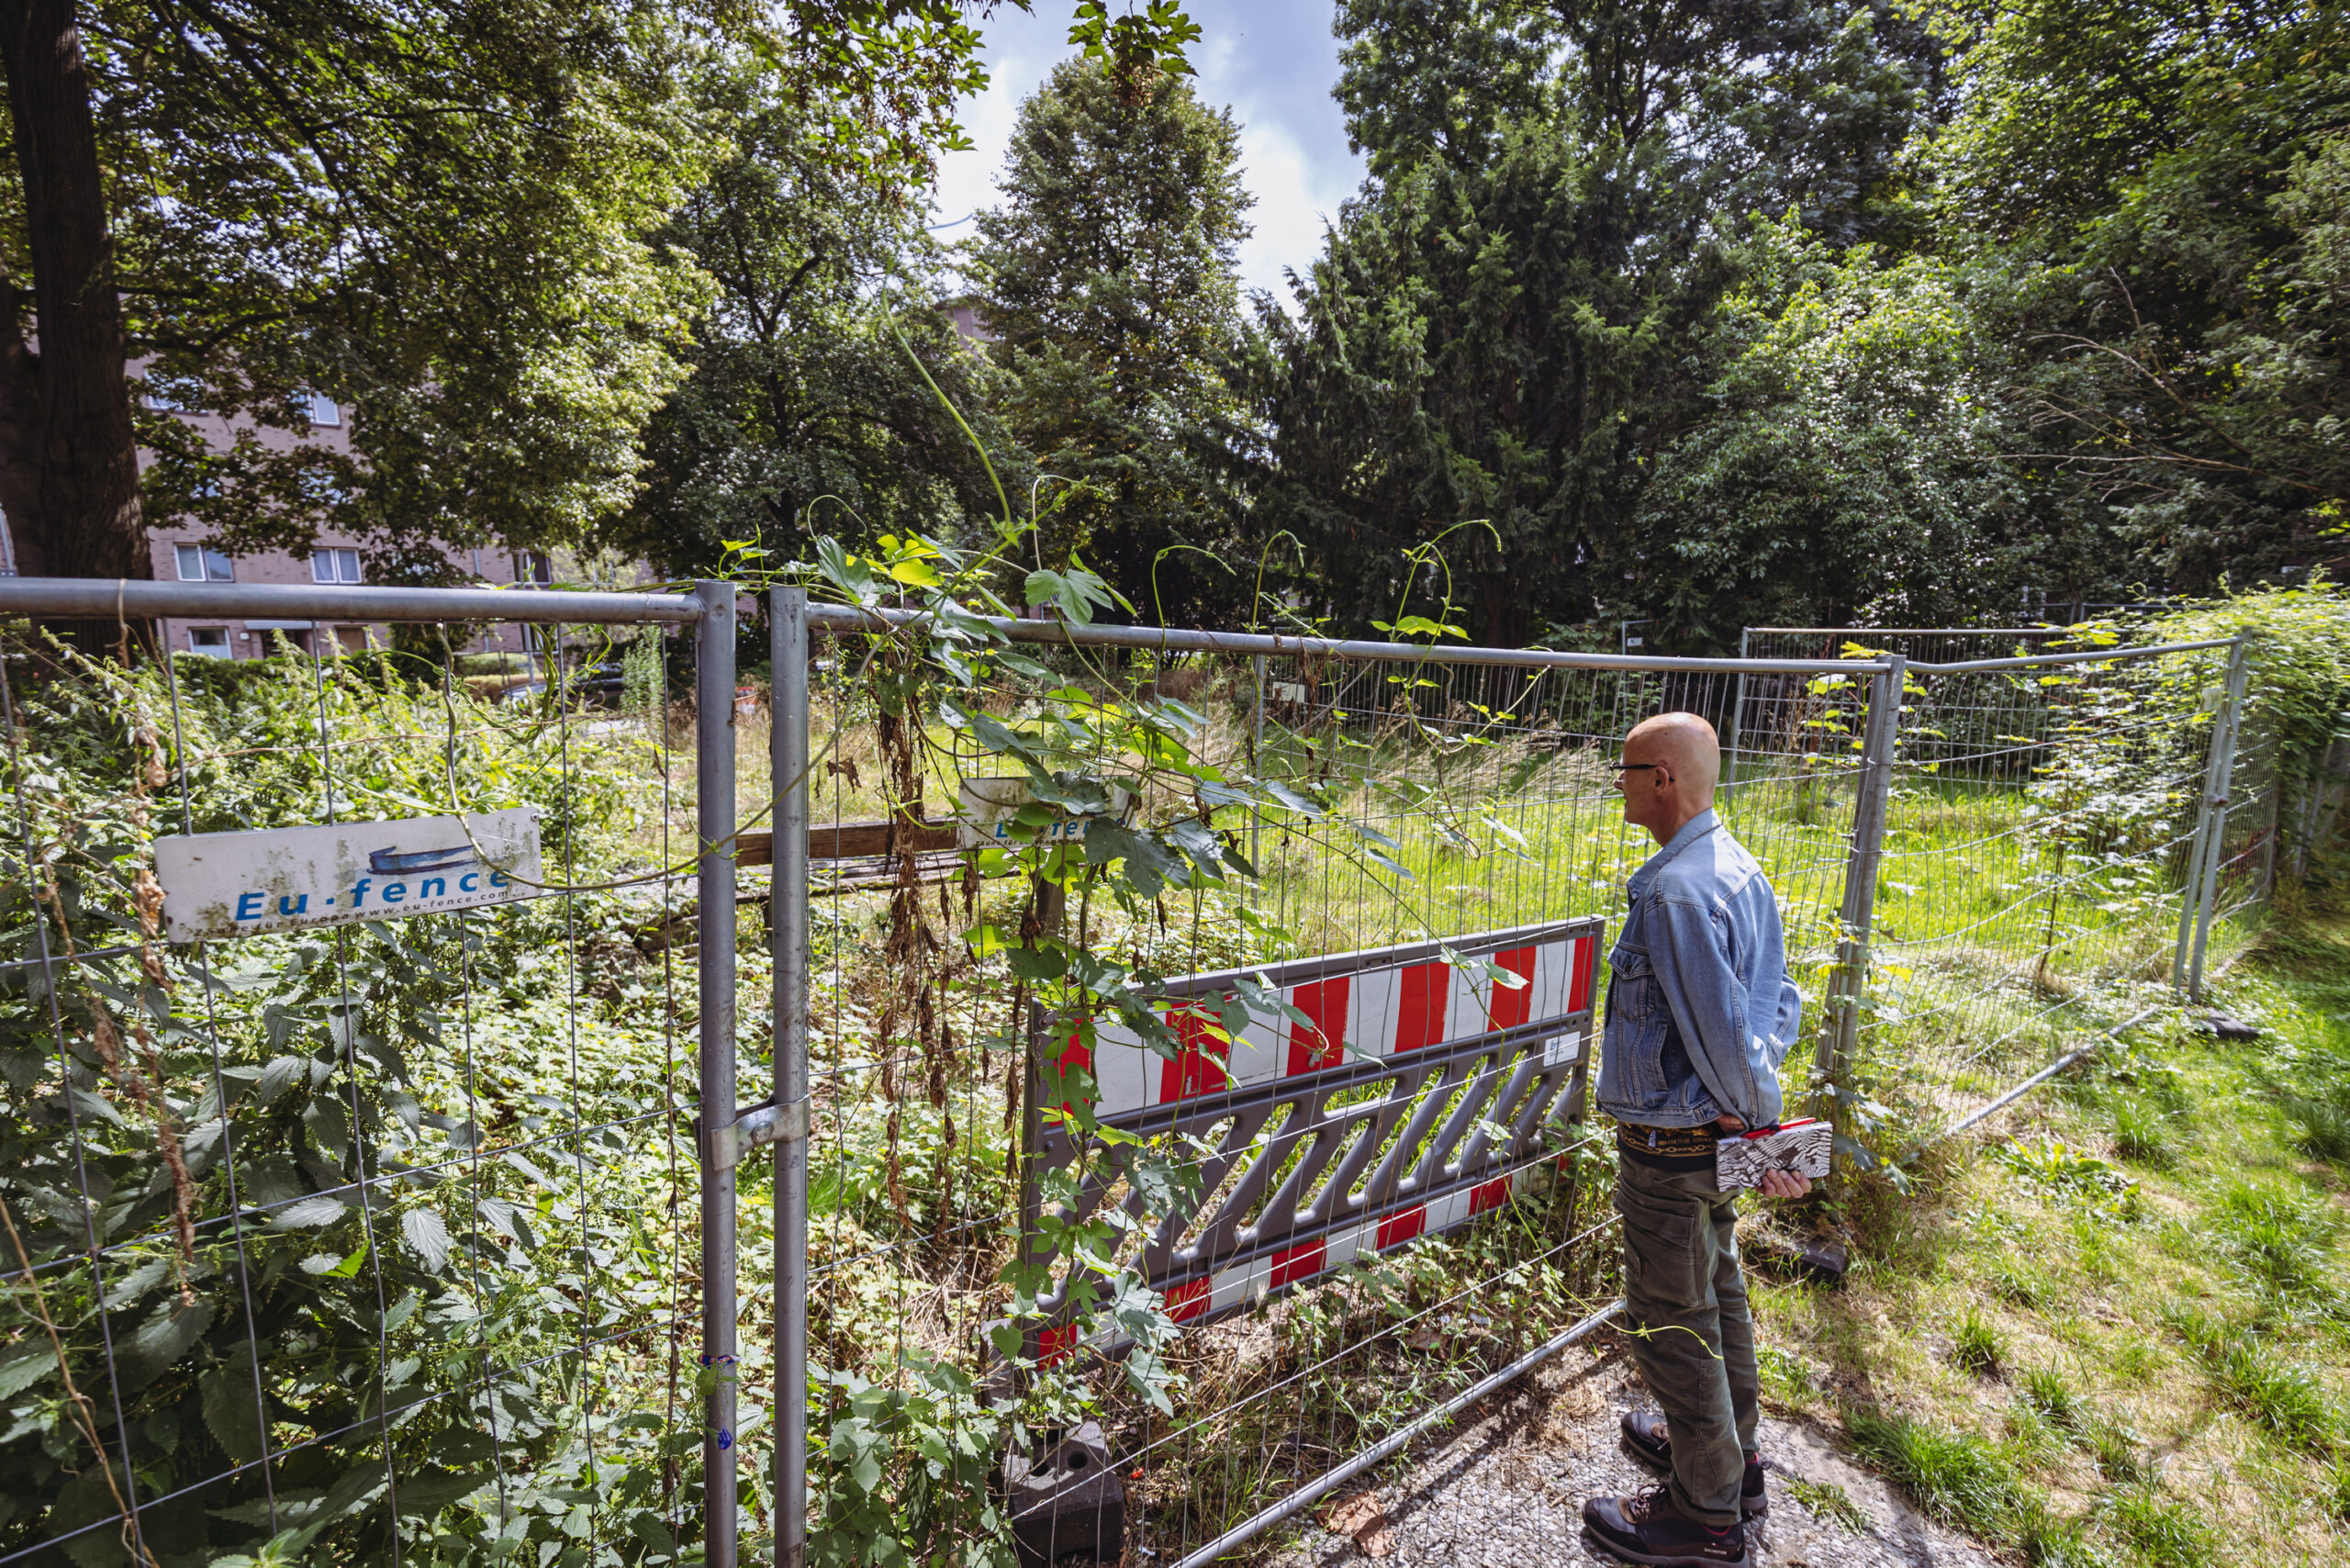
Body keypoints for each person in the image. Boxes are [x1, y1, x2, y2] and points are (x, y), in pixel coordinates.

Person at [1580, 712, 1807, 1568]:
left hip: (1673, 1147)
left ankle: (1703, 1516)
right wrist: (1753, 1109)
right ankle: (1733, 1462)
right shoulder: (1735, 868)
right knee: (1719, 1293)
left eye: (1629, 769)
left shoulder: (1674, 892)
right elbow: (1775, 1003)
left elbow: (1718, 1032)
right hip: (1708, 1144)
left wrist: (1752, 1114)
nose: (1621, 784)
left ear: (1664, 779)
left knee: (1672, 1321)